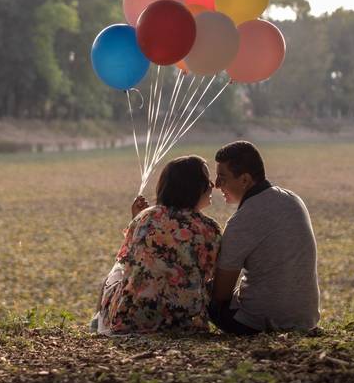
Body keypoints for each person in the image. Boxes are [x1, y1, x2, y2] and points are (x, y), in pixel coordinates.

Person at [93, 155, 222, 335]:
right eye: (207, 181)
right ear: (194, 187)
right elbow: (210, 273)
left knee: (115, 272)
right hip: (185, 323)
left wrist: (136, 219)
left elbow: (130, 258)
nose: (212, 186)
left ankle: (97, 322)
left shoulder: (145, 218)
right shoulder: (210, 228)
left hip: (132, 320)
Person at [208, 141, 320, 335]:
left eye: (222, 178)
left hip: (258, 324)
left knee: (197, 289)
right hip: (306, 319)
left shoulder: (241, 221)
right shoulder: (292, 198)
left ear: (244, 180)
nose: (217, 185)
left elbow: (220, 293)